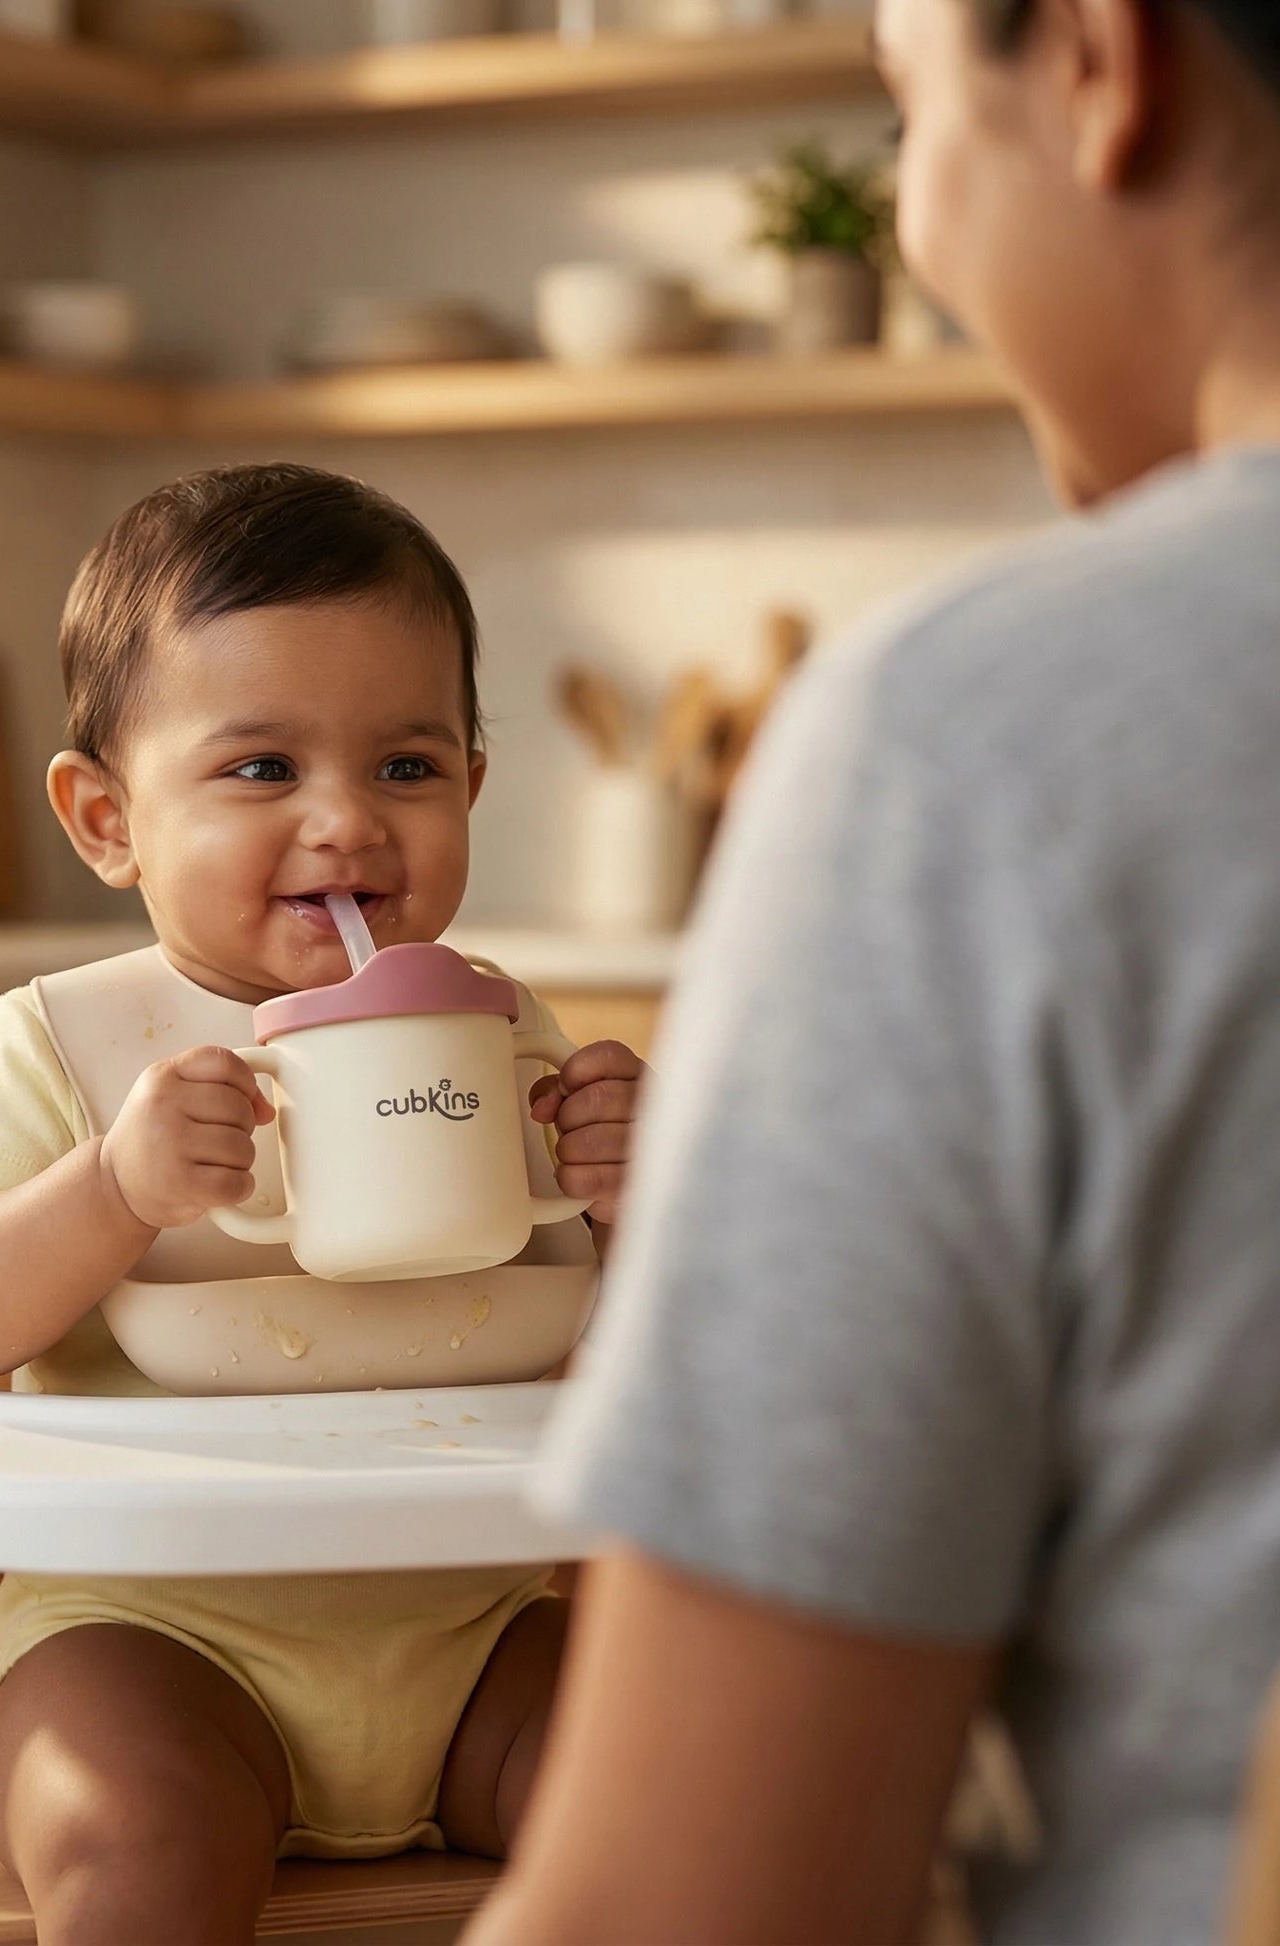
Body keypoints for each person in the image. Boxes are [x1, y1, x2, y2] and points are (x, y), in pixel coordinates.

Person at [469, 0, 1280, 1939]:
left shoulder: (986, 749)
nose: (916, 221)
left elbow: (685, 1912)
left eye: (906, 102)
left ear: (1097, 63)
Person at [0, 463, 643, 1945]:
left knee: (699, 1803)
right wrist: (107, 1188)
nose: (348, 825)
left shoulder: (507, 1037)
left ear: (475, 784)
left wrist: (645, 1193)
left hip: (474, 1631)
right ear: (105, 816)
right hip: (149, 1637)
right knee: (140, 1853)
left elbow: (651, 1336)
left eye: (408, 767)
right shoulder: (62, 1041)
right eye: (260, 770)